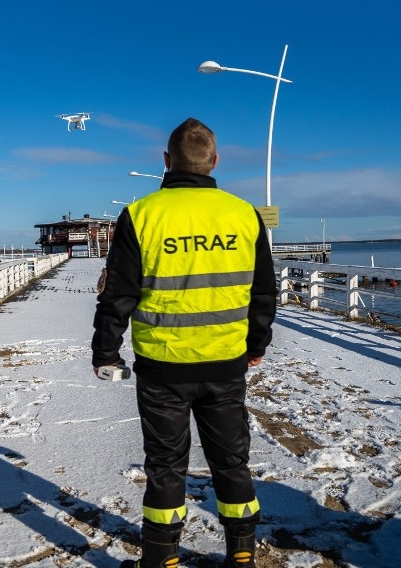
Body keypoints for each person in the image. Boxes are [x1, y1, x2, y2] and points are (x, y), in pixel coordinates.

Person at [92, 118, 277, 568]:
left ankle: (161, 560)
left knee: (166, 464)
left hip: (162, 367)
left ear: (166, 161)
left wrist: (105, 350)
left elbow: (119, 292)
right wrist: (257, 345)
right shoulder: (243, 214)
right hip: (225, 363)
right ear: (215, 161)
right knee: (232, 461)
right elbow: (263, 292)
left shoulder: (141, 215)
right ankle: (243, 554)